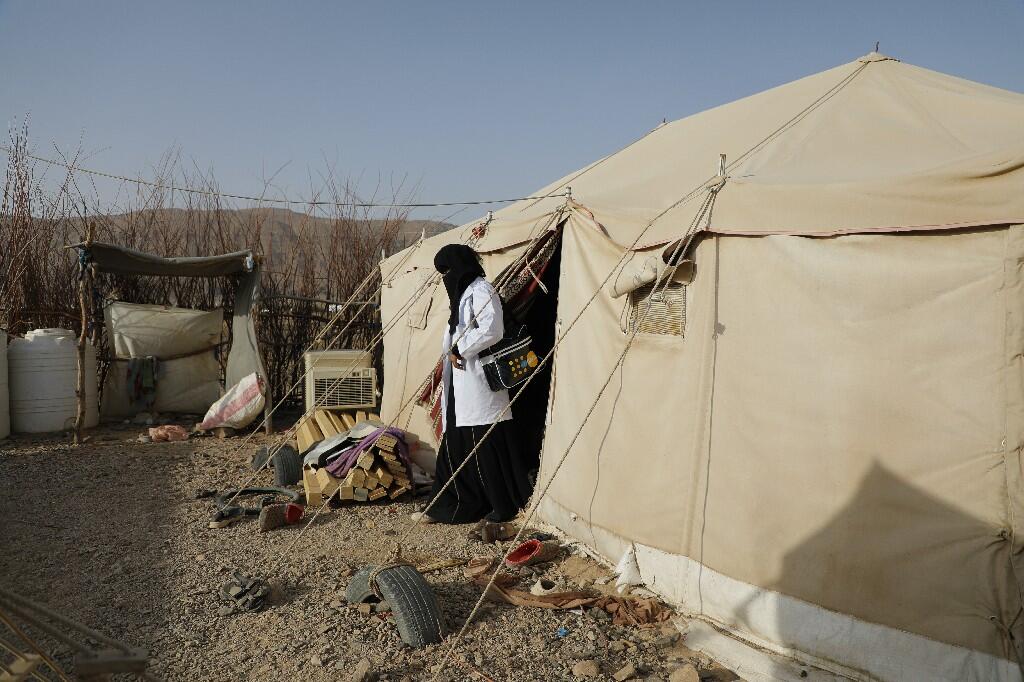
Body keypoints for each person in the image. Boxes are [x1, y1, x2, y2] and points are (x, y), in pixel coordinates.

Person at [411, 244, 533, 524]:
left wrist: (460, 348)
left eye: (448, 270)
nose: (445, 277)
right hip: (460, 385)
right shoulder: (462, 295)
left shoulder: (481, 290)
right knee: (455, 445)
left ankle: (502, 508)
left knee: (486, 447)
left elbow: (492, 329)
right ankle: (449, 507)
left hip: (479, 383)